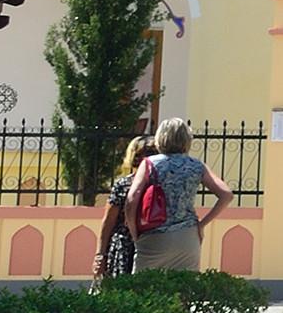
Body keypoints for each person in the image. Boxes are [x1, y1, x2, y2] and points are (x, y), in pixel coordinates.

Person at [131, 118, 234, 273]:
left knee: (144, 288)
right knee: (184, 289)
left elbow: (132, 198)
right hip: (187, 236)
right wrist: (201, 224)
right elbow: (226, 195)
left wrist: (134, 232)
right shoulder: (196, 165)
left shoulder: (150, 163)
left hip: (154, 234)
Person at [94, 134, 151, 278]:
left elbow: (109, 221)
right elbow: (109, 221)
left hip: (141, 244)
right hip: (131, 246)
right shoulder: (124, 185)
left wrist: (100, 254)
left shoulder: (126, 185)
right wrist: (100, 255)